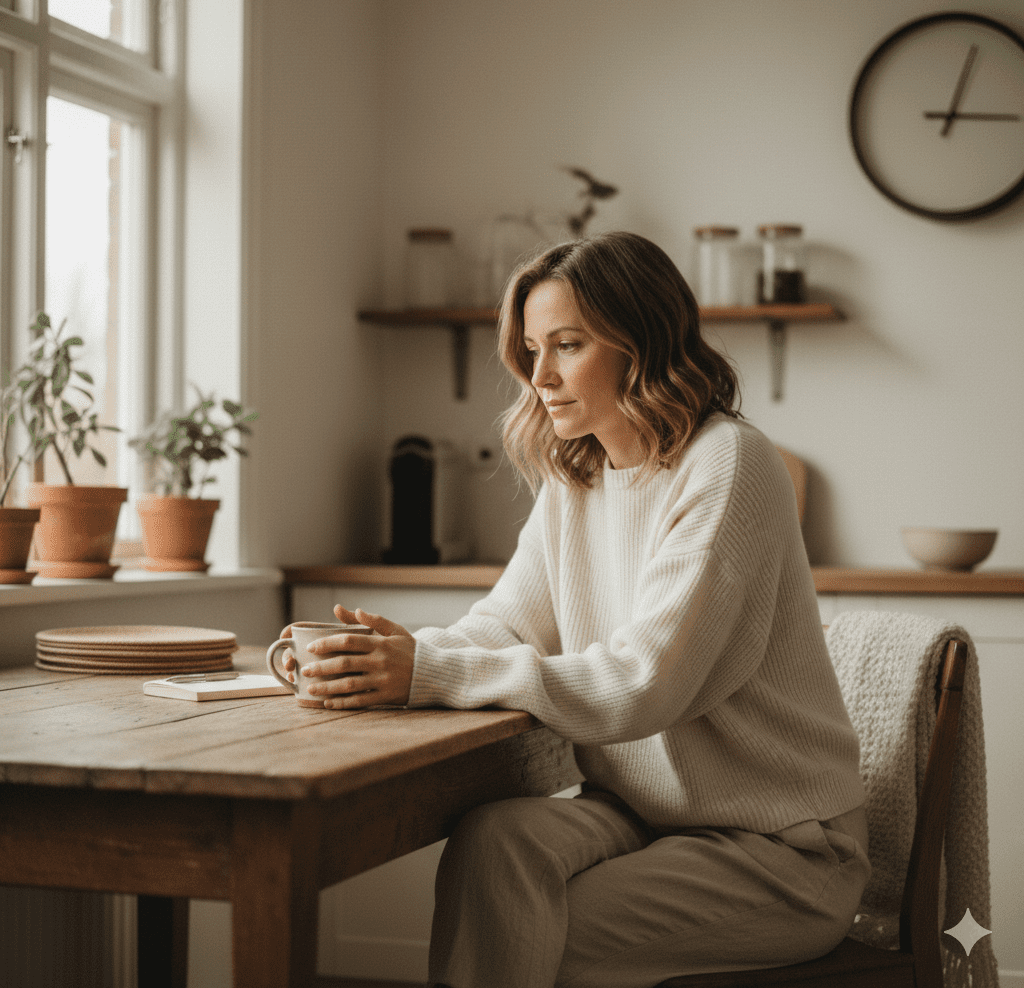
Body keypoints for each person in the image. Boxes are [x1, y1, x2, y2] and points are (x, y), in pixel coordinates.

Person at [284, 232, 870, 988]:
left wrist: (430, 671)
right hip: (639, 813)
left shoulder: (728, 462)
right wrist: (389, 656)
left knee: (526, 930)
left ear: (641, 342)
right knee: (493, 839)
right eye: (532, 348)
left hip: (780, 850)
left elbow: (641, 684)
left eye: (567, 344)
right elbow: (501, 626)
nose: (540, 375)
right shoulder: (577, 476)